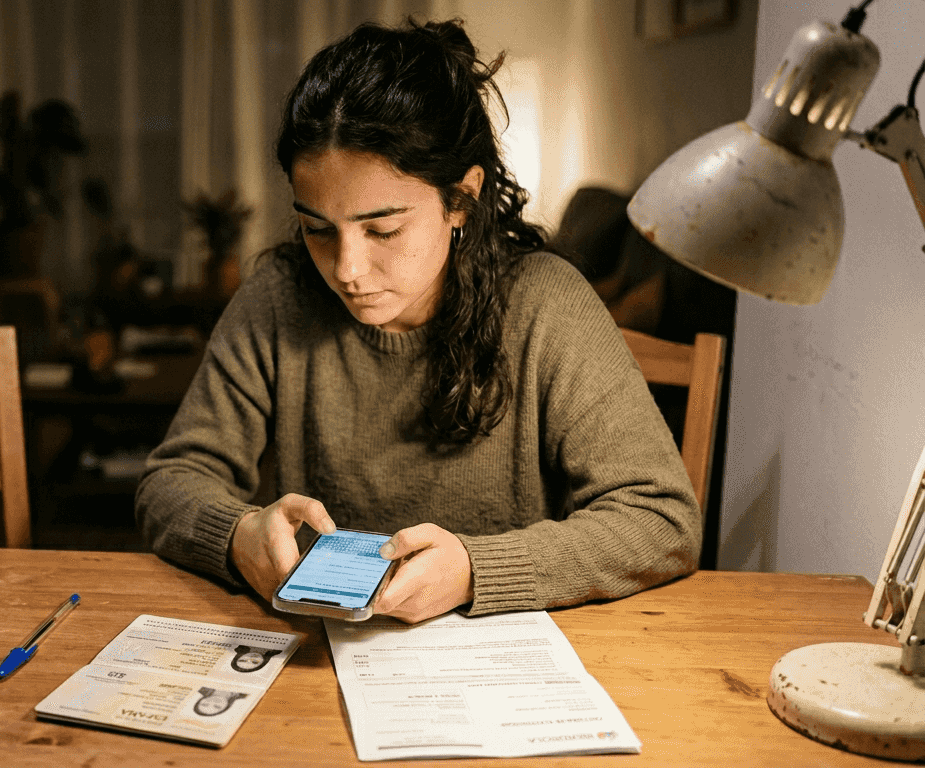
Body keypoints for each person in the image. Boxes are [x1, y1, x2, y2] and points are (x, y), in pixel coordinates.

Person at [135, 18, 701, 624]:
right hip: (316, 650)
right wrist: (237, 532)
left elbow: (661, 517)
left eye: (383, 229)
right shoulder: (278, 296)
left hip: (508, 667)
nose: (348, 269)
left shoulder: (546, 305)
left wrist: (476, 571)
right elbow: (172, 479)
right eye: (317, 229)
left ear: (461, 198)